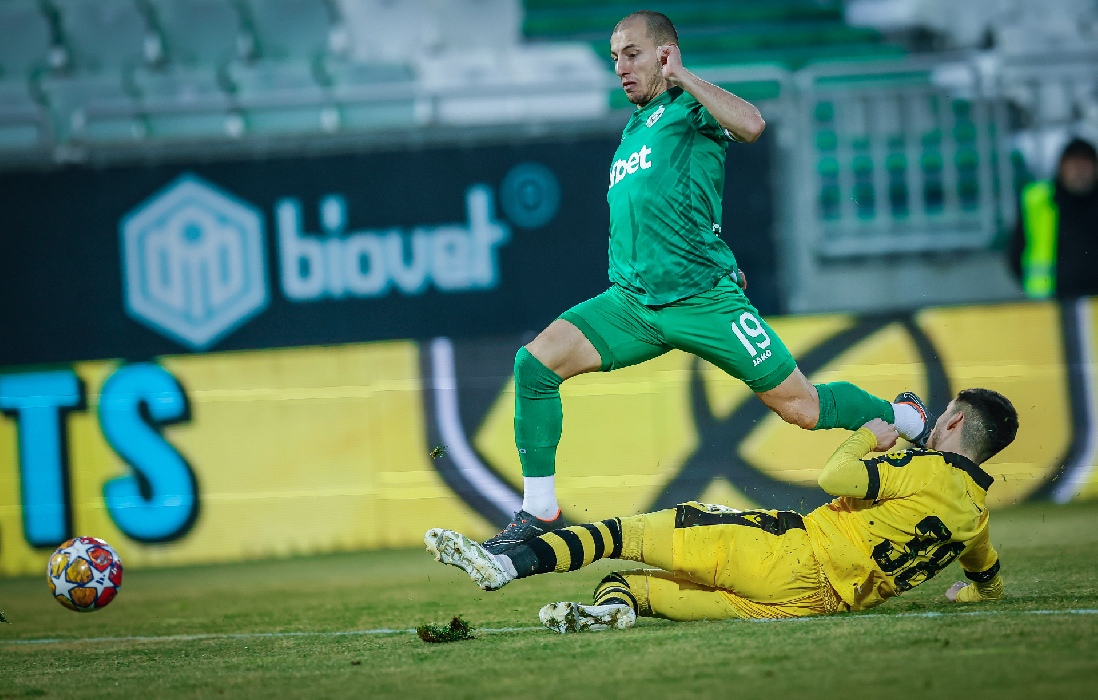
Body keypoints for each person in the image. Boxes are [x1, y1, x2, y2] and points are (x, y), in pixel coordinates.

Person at [487, 10, 935, 552]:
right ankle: (539, 508)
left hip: (704, 302)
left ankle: (903, 418)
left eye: (632, 54)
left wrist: (684, 78)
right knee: (533, 365)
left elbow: (753, 125)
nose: (620, 68)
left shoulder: (691, 106)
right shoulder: (633, 129)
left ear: (664, 54)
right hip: (632, 304)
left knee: (802, 408)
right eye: (614, 58)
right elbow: (671, 205)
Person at [426, 388, 1017, 633]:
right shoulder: (976, 517)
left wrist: (869, 434)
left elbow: (834, 476)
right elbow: (987, 581)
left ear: (956, 422)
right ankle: (612, 612)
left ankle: (503, 566)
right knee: (630, 586)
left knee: (621, 533)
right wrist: (964, 594)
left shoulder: (926, 470)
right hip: (807, 607)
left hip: (787, 554)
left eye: (944, 414)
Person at [1010, 137, 1098, 299]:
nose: (1080, 172)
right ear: (1061, 167)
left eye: (1085, 165)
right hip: (1050, 301)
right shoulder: (1038, 201)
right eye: (1074, 165)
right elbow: (1016, 253)